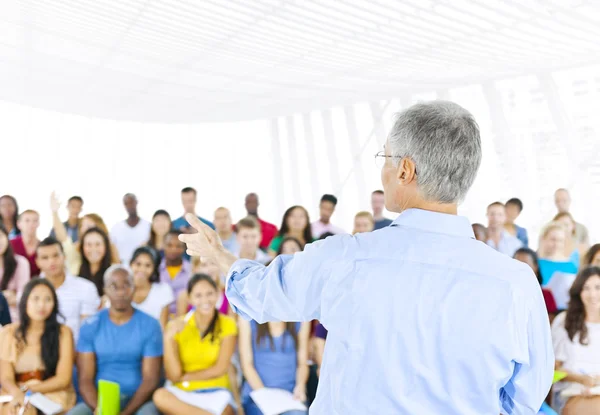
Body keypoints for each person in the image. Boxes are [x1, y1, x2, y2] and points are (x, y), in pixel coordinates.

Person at [180, 100, 554, 413]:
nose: (383, 169)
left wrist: (220, 257)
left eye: (386, 157)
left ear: (405, 169)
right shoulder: (516, 284)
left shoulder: (345, 259)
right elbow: (524, 397)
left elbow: (264, 294)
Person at [72, 265, 162, 415]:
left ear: (134, 288)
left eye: (126, 285)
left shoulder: (150, 325)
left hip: (139, 401)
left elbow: (150, 379)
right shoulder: (90, 325)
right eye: (114, 286)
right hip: (99, 401)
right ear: (105, 289)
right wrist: (102, 410)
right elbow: (85, 379)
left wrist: (125, 413)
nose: (120, 292)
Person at [153, 274, 238, 415]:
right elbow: (173, 375)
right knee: (160, 396)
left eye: (209, 294)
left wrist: (185, 377)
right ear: (190, 299)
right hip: (182, 392)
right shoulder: (176, 326)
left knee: (227, 411)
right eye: (198, 295)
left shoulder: (228, 324)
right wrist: (168, 338)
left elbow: (220, 368)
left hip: (216, 390)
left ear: (217, 294)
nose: (205, 300)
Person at [0, 279, 76, 414]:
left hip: (51, 393)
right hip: (15, 391)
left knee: (25, 411)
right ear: (25, 301)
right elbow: (6, 377)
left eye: (48, 299)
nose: (41, 305)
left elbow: (63, 379)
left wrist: (29, 391)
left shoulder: (63, 333)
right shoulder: (9, 333)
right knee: (12, 410)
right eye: (35, 299)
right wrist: (17, 393)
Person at [551, 266, 600, 414]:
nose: (593, 294)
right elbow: (553, 370)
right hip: (571, 392)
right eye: (586, 288)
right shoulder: (564, 321)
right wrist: (581, 379)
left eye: (598, 287)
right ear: (579, 292)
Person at [239, 319, 310, 415]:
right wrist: (265, 396)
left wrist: (300, 385)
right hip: (257, 394)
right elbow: (247, 365)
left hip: (290, 395)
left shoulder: (302, 319)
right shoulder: (247, 319)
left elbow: (302, 363)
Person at [36, 237, 100, 343]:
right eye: (45, 258)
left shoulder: (86, 288)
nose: (51, 261)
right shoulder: (28, 292)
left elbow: (88, 332)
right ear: (37, 262)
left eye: (56, 255)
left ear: (64, 257)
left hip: (77, 352)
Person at [538, 223, 579, 311]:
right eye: (553, 239)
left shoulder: (571, 266)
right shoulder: (537, 263)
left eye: (560, 240)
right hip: (542, 308)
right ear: (544, 239)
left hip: (565, 310)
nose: (556, 244)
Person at [130, 247, 174, 329]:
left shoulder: (163, 290)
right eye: (138, 264)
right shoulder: (121, 289)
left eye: (148, 265)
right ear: (131, 264)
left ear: (154, 268)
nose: (142, 269)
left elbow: (162, 329)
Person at [513, 248, 557, 317]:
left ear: (535, 267)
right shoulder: (506, 294)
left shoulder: (546, 295)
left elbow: (550, 323)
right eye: (516, 264)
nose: (520, 269)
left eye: (525, 265)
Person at [110, 193, 151, 264]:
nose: (129, 206)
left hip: (142, 268)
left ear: (136, 202)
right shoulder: (116, 228)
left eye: (132, 202)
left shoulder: (148, 226)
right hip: (122, 267)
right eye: (126, 203)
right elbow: (112, 249)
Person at [0, 226, 30, 322]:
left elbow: (24, 295)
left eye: (0, 236)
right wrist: (6, 297)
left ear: (6, 237)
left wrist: (14, 297)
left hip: (16, 319)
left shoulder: (20, 262)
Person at [159, 231, 192, 315]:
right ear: (163, 245)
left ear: (184, 248)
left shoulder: (191, 270)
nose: (173, 249)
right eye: (169, 245)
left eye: (178, 246)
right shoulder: (155, 269)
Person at [78, 227, 114, 297]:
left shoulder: (113, 273)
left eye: (98, 244)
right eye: (89, 245)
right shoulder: (76, 270)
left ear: (105, 246)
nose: (93, 249)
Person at [10, 210, 41, 278]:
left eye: (35, 220)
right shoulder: (10, 244)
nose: (31, 224)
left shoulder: (43, 246)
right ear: (19, 224)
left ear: (39, 223)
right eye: (27, 220)